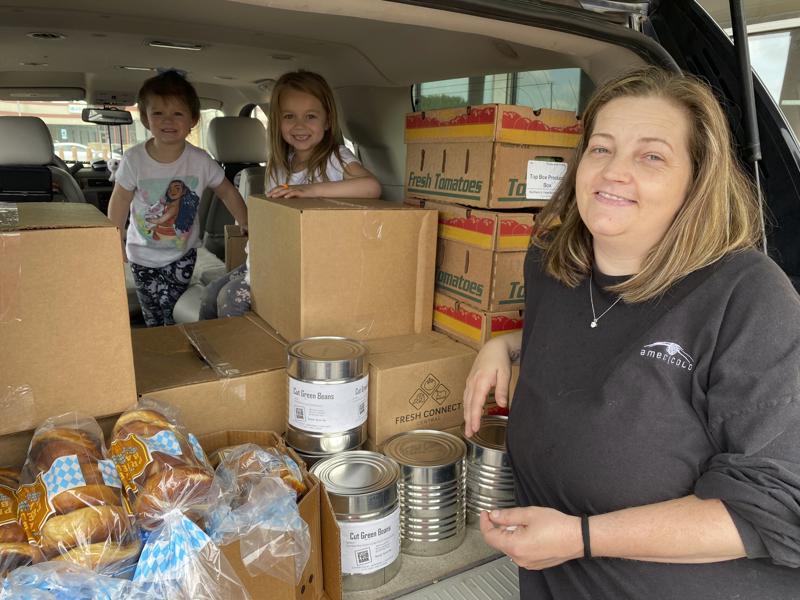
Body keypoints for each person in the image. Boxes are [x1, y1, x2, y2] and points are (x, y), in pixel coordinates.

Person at [462, 66, 800, 599]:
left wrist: (580, 538)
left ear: (697, 178)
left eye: (651, 156)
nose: (614, 172)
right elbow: (597, 343)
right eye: (601, 149)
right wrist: (503, 344)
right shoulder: (553, 263)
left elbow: (777, 507)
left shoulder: (748, 295)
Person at [200, 70, 381, 320]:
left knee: (230, 298)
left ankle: (240, 356)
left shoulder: (336, 158)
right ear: (278, 122)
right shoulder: (279, 165)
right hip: (269, 258)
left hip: (307, 267)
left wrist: (310, 190)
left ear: (327, 121)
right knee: (210, 293)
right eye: (289, 116)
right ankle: (209, 353)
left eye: (310, 116)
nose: (299, 125)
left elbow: (371, 187)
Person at [108, 70, 248, 327]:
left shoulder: (200, 160)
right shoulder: (134, 159)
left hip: (181, 255)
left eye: (177, 113)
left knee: (172, 310)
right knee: (152, 312)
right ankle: (159, 347)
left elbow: (227, 190)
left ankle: (173, 344)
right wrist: (113, 239)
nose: (167, 120)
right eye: (158, 113)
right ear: (145, 119)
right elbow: (120, 199)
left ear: (193, 119)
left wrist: (245, 220)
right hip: (141, 254)